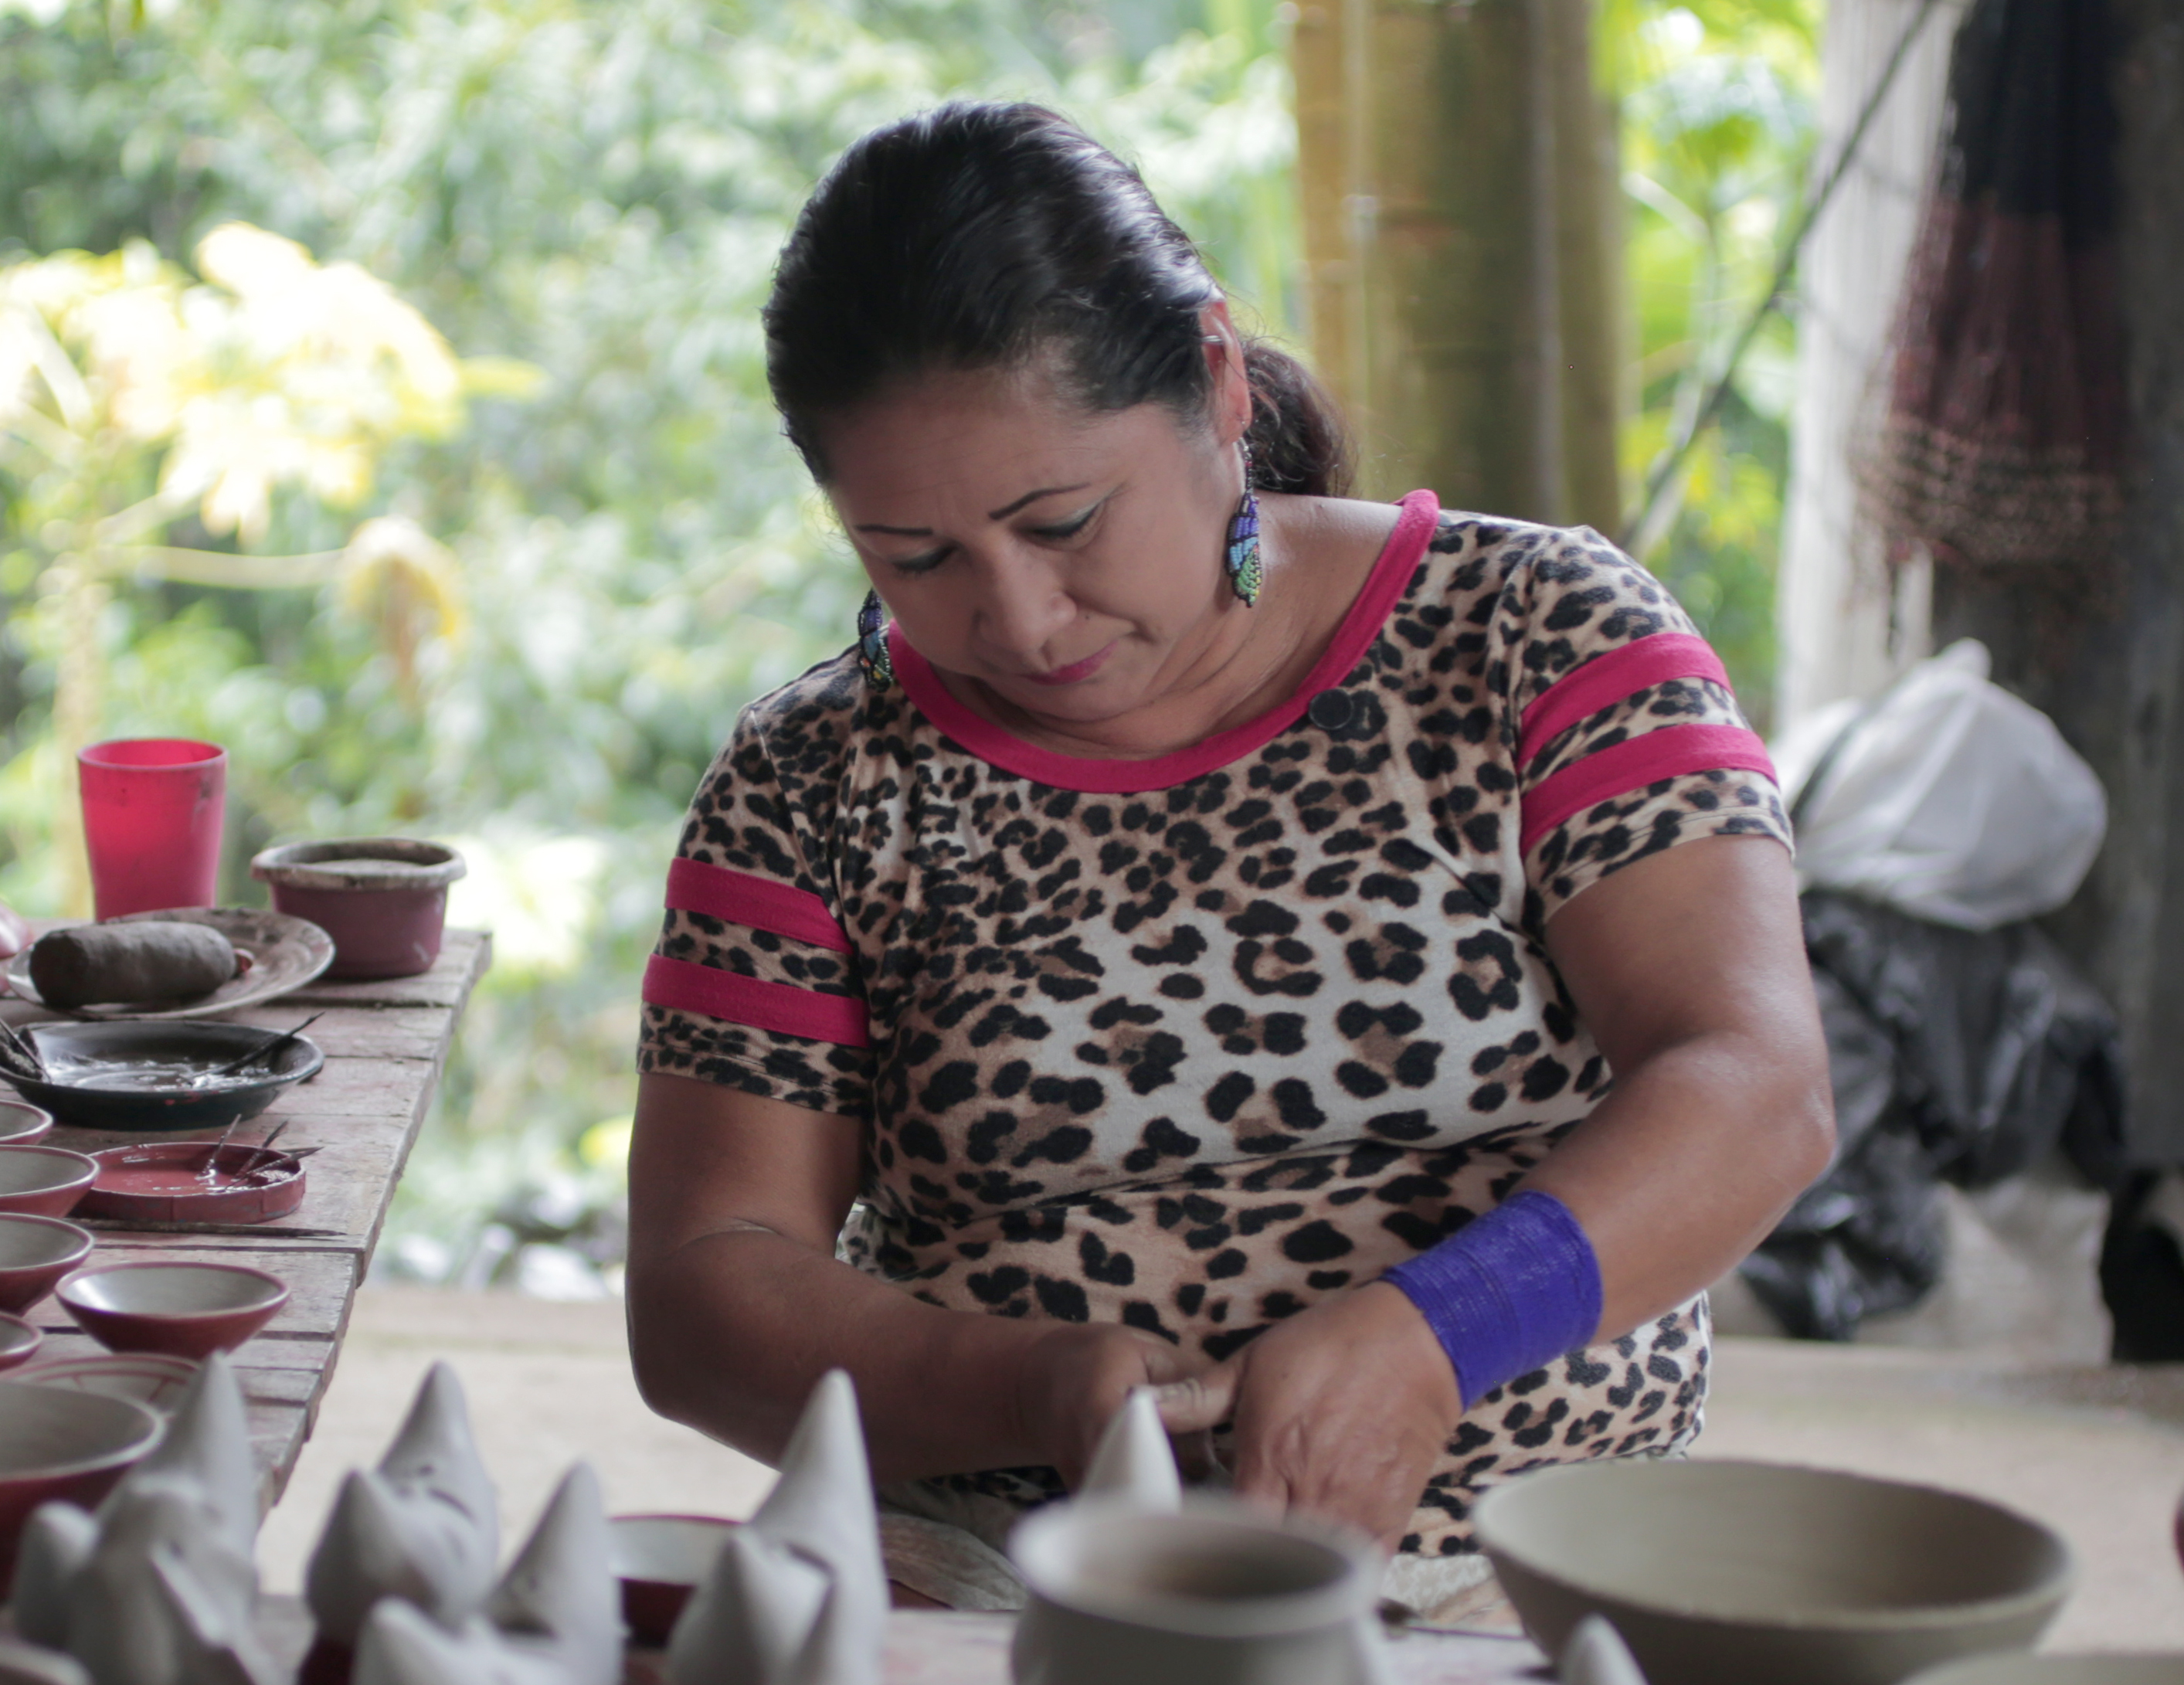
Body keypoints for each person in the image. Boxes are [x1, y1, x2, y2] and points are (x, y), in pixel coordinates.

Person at [622, 101, 1835, 1600]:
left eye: (1063, 520)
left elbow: (1756, 1087)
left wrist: (1438, 1332)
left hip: (1515, 1563)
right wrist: (1028, 1387)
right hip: (1004, 1571)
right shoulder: (813, 775)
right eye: (914, 559)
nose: (1019, 616)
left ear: (1212, 378)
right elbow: (702, 1288)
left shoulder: (1544, 640)